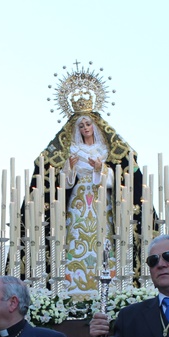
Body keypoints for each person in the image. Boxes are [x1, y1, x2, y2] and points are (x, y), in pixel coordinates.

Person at [63, 114, 114, 297]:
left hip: (100, 196)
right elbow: (67, 182)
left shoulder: (104, 149)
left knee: (103, 232)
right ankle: (74, 283)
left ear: (94, 126)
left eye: (88, 124)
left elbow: (112, 179)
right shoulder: (74, 150)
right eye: (81, 125)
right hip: (80, 197)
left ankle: (107, 277)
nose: (85, 128)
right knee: (77, 233)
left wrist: (100, 169)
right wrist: (68, 167)